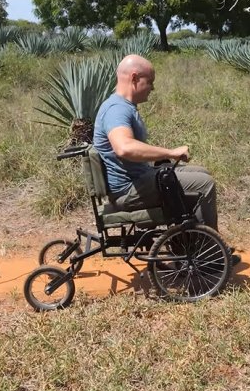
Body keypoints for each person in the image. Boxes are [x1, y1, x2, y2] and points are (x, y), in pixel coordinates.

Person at [93, 54, 239, 264]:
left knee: (201, 174)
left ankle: (192, 242)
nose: (152, 88)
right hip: (129, 191)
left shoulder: (122, 106)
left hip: (139, 181)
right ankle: (209, 256)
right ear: (135, 78)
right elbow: (124, 148)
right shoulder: (117, 110)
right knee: (204, 184)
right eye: (150, 81)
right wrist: (169, 153)